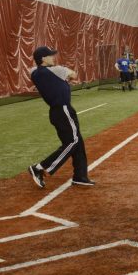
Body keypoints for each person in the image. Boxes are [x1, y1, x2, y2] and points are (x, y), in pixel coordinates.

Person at [27, 46, 94, 188]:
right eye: (50, 56)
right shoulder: (56, 70)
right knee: (73, 142)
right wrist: (65, 75)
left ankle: (80, 176)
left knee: (77, 143)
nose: (53, 58)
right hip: (63, 109)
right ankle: (39, 167)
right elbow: (74, 74)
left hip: (56, 111)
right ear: (43, 59)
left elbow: (34, 70)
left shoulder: (35, 73)